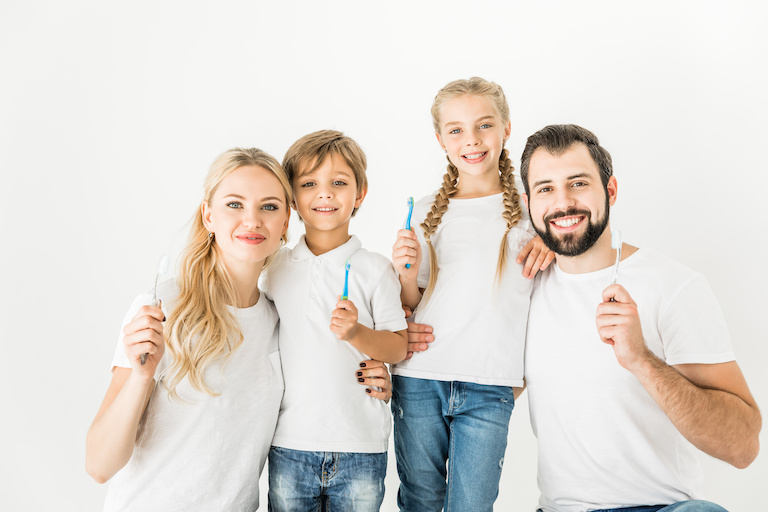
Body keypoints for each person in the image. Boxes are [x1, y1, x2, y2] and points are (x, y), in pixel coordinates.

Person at [85, 148, 392, 511]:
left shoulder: (279, 320)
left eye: (269, 206)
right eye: (234, 204)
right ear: (208, 215)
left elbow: (321, 375)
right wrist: (140, 376)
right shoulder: (162, 307)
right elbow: (99, 466)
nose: (252, 220)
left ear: (285, 223)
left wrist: (372, 378)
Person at [519, 124, 761, 512]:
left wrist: (641, 360)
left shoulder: (673, 286)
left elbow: (743, 447)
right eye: (546, 188)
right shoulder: (523, 290)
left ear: (610, 190)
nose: (563, 203)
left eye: (578, 183)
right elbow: (484, 393)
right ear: (529, 202)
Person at [390, 77, 553, 512]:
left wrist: (552, 243)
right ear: (440, 139)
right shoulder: (425, 210)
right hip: (420, 377)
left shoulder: (535, 209)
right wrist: (405, 274)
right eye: (457, 130)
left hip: (490, 383)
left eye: (484, 125)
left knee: (472, 506)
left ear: (506, 129)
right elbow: (412, 300)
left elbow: (581, 248)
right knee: (420, 500)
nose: (472, 140)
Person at [262, 130, 408, 512]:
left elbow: (398, 345)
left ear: (359, 194)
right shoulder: (274, 270)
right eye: (309, 184)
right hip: (289, 442)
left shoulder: (375, 270)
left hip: (360, 445)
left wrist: (357, 333)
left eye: (339, 183)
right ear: (292, 197)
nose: (324, 194)